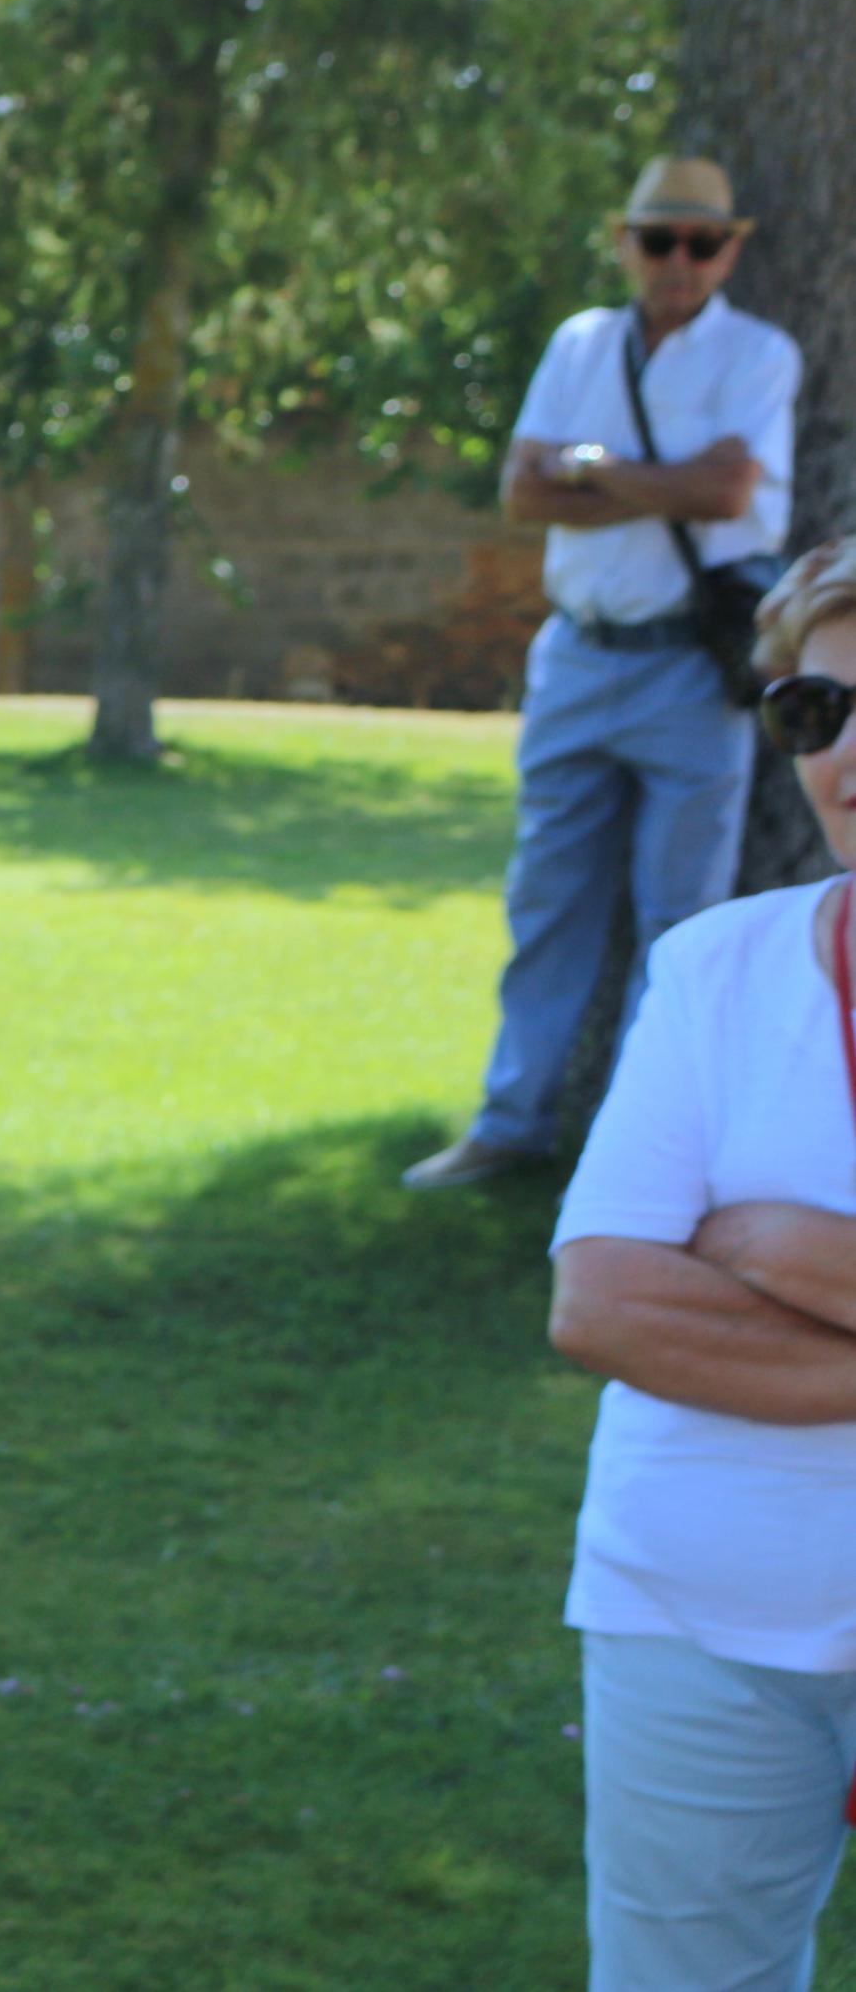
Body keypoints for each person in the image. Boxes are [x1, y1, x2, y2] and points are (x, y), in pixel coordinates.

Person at [546, 535, 856, 1987]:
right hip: (693, 1611)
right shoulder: (713, 967)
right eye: (814, 710)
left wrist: (785, 1249)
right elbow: (601, 1296)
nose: (842, 753)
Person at [411, 156, 799, 1191]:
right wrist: (649, 483)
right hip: (576, 656)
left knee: (676, 924)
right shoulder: (577, 343)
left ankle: (637, 1153)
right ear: (623, 242)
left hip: (688, 666)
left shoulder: (758, 355)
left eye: (699, 241)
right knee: (546, 902)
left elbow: (723, 492)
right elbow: (519, 492)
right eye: (657, 238)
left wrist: (587, 468)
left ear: (727, 251)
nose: (677, 260)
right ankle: (510, 1121)